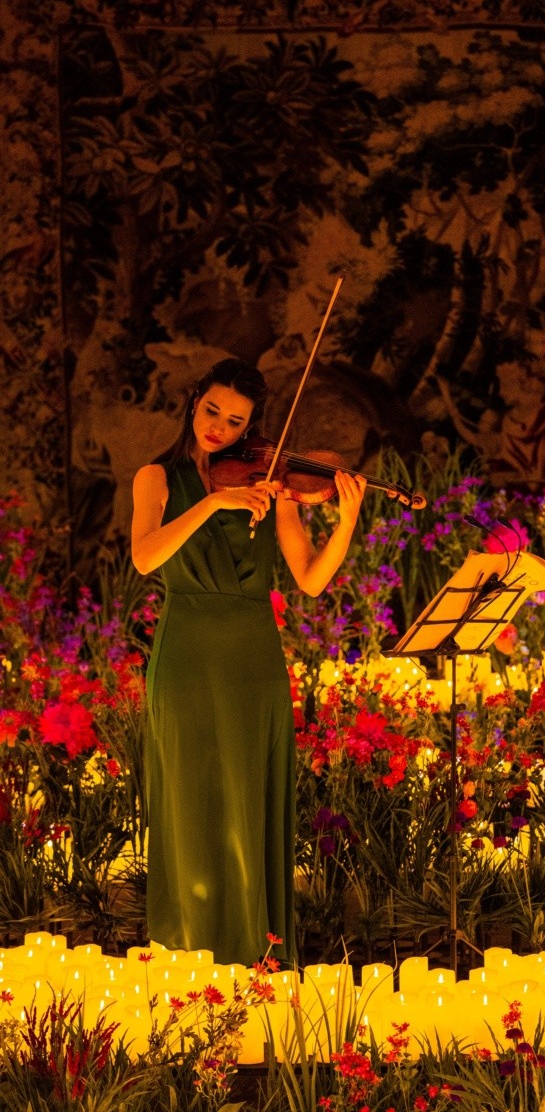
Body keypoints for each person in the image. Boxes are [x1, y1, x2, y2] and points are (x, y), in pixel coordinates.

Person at [131, 357, 366, 966]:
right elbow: (145, 556)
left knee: (249, 801)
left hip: (254, 658)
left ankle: (255, 955)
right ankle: (188, 954)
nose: (220, 427)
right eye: (213, 410)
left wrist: (345, 523)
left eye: (236, 421)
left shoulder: (271, 482)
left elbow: (310, 578)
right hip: (187, 654)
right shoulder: (156, 477)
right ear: (195, 402)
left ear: (251, 427)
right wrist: (214, 504)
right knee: (189, 801)